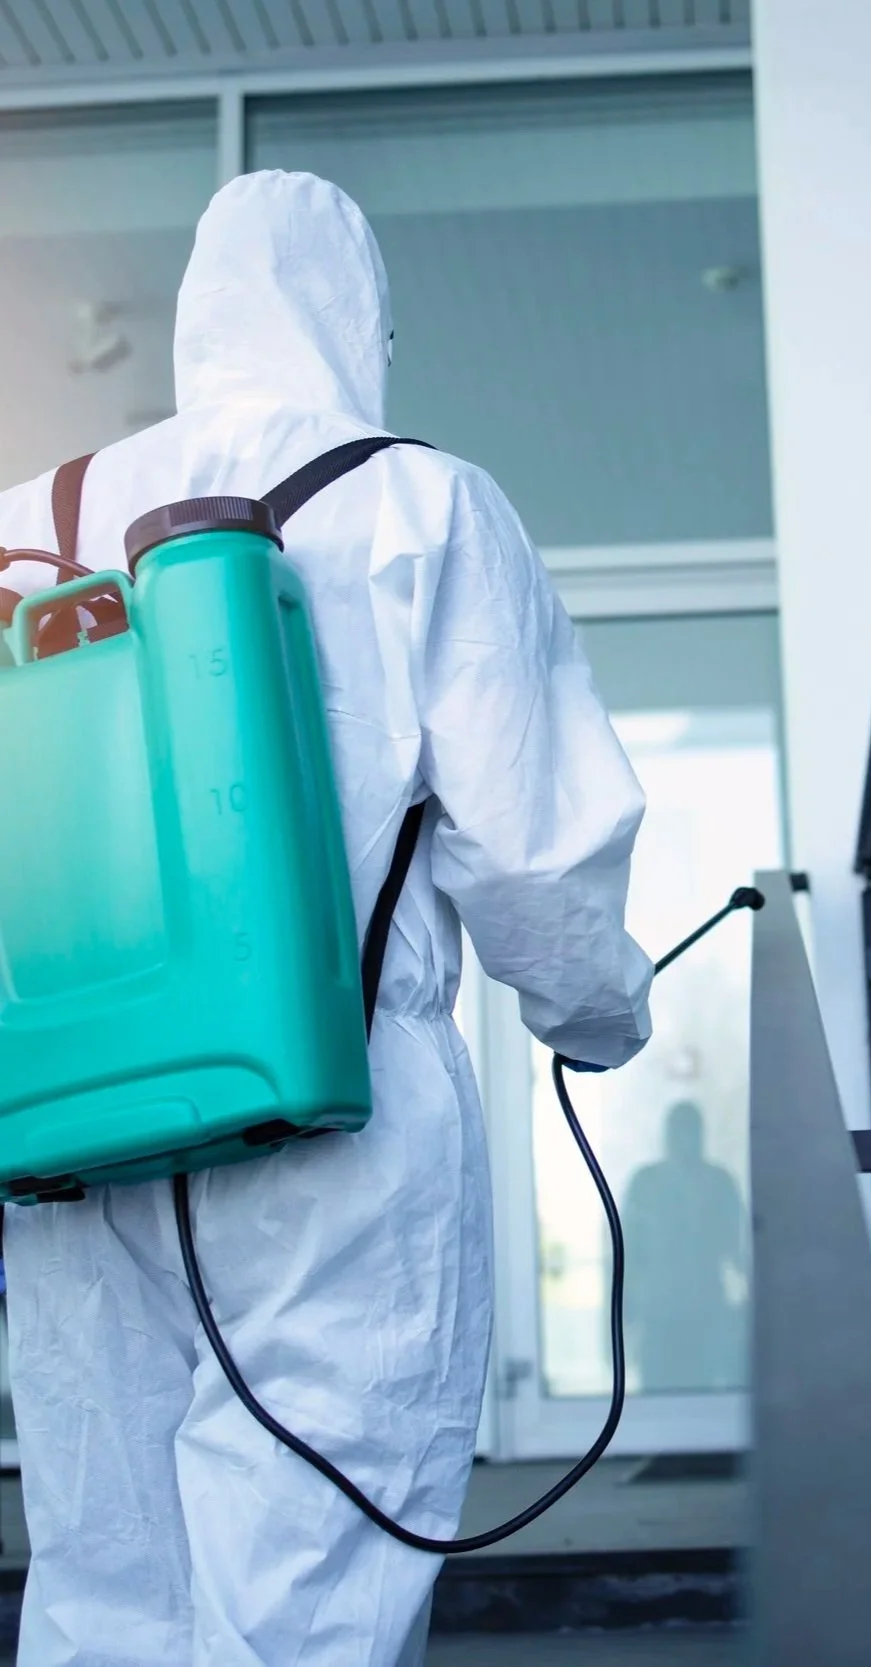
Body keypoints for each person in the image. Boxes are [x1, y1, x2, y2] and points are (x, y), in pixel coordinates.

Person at [0, 171, 653, 1667]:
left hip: (71, 1139)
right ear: (357, 318)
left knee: (107, 1587)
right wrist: (596, 1016)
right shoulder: (416, 498)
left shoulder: (30, 522)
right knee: (306, 1592)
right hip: (332, 1125)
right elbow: (534, 848)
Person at [622, 1101, 746, 1393]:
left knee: (703, 1395)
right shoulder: (646, 1183)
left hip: (705, 1309)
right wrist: (626, 1310)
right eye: (679, 1132)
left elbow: (737, 1246)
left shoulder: (719, 1182)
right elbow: (628, 1253)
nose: (685, 1140)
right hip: (659, 1312)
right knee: (658, 1396)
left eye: (691, 1132)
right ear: (667, 1136)